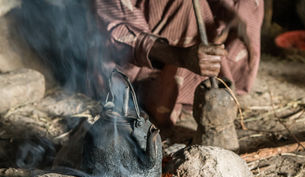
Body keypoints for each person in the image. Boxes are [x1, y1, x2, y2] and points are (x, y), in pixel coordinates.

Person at [91, 0, 264, 127]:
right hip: (131, 62)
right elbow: (118, 29)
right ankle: (157, 100)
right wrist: (181, 57)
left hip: (198, 39)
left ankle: (211, 82)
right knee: (186, 5)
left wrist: (229, 13)